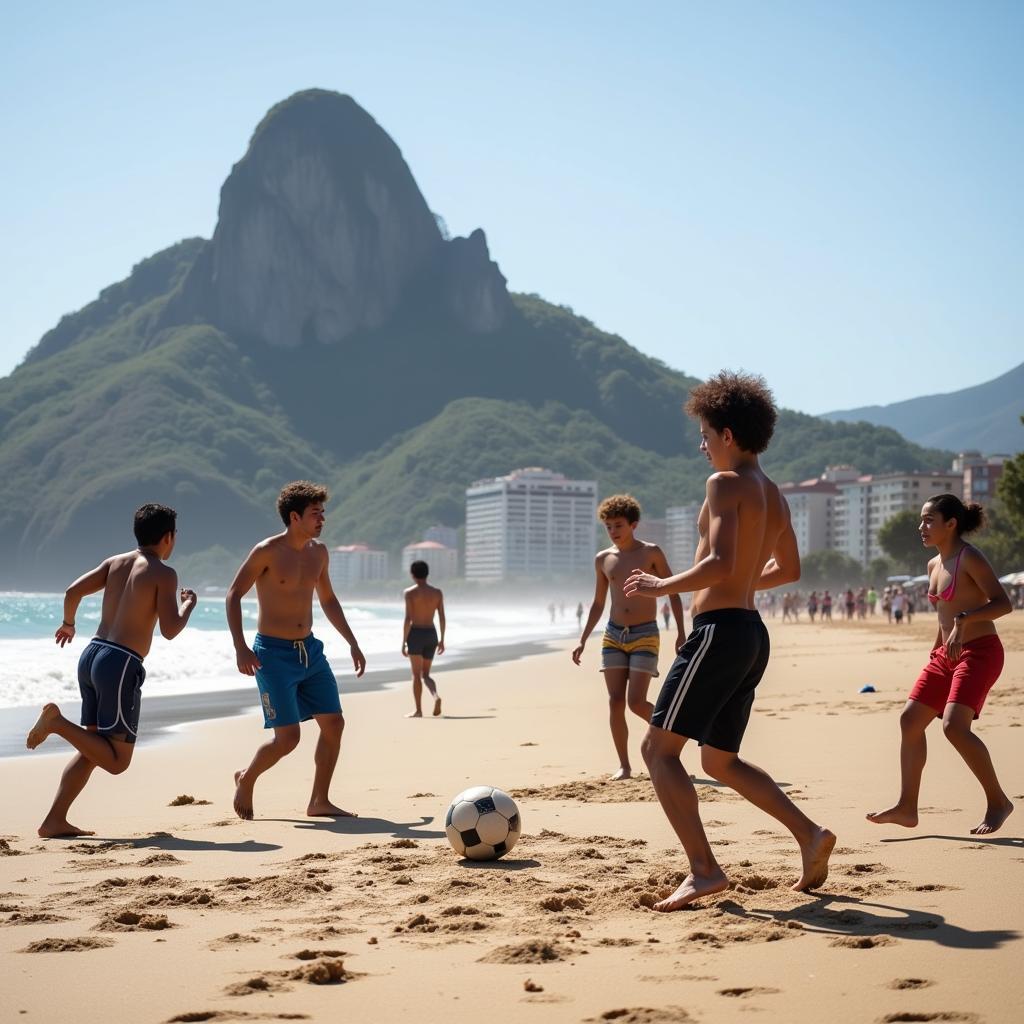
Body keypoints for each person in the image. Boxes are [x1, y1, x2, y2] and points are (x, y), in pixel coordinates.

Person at [624, 371, 835, 911]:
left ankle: (703, 871)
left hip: (718, 635)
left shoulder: (725, 484)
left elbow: (718, 562)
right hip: (750, 636)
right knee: (719, 762)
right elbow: (787, 570)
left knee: (657, 749)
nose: (701, 445)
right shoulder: (776, 496)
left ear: (729, 434)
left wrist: (662, 584)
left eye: (705, 434)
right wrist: (737, 578)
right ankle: (811, 835)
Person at [26, 504, 197, 838]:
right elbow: (170, 629)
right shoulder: (164, 573)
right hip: (120, 664)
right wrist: (188, 603)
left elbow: (71, 592)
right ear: (168, 537)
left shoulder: (115, 562)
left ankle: (54, 821)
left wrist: (68, 623)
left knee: (94, 746)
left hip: (92, 654)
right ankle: (57, 723)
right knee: (117, 761)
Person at [867, 494, 1013, 835]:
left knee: (953, 727)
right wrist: (936, 652)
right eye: (921, 520)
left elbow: (1003, 603)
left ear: (951, 524)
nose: (921, 527)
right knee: (910, 720)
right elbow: (943, 618)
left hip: (980, 652)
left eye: (929, 520)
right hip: (944, 656)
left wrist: (964, 621)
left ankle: (998, 802)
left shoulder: (970, 558)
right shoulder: (933, 565)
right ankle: (907, 807)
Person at [227, 481, 366, 820]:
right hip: (272, 655)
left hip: (310, 652)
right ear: (294, 516)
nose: (322, 519)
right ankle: (247, 778)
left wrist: (352, 641)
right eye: (315, 513)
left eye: (323, 513)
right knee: (288, 739)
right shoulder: (267, 552)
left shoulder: (319, 552)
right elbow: (233, 595)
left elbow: (328, 600)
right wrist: (241, 648)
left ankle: (319, 801)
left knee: (334, 723)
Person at [573, 494, 685, 781]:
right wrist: (583, 639)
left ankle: (672, 736)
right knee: (614, 701)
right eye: (608, 526)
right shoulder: (603, 559)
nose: (613, 531)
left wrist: (683, 632)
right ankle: (624, 765)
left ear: (633, 524)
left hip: (645, 633)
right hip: (613, 634)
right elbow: (598, 603)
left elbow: (672, 590)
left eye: (618, 525)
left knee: (636, 702)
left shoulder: (651, 553)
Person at [402, 560, 446, 717]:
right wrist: (442, 639)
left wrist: (403, 642)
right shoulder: (437, 593)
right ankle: (435, 696)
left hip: (416, 635)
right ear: (427, 573)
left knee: (416, 675)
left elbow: (408, 619)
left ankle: (418, 710)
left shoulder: (410, 593)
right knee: (426, 674)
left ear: (412, 575)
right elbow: (441, 617)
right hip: (431, 634)